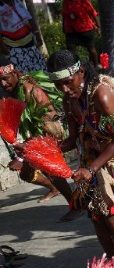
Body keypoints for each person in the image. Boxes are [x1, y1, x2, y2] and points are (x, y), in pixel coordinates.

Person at [47, 49, 114, 268]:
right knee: (97, 218)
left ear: (81, 72)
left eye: (67, 82)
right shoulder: (69, 100)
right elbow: (72, 139)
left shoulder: (101, 95)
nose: (64, 89)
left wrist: (92, 168)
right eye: (58, 85)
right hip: (92, 165)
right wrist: (39, 151)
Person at [0, 55, 79, 210]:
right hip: (34, 138)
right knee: (26, 174)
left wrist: (24, 155)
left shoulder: (30, 91)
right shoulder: (12, 91)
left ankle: (75, 205)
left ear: (15, 73)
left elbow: (48, 124)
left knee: (48, 167)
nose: (3, 83)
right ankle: (55, 189)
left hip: (50, 133)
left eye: (6, 78)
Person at [0, 0, 46, 72]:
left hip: (30, 43)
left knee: (41, 69)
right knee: (23, 74)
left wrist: (37, 34)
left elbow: (30, 19)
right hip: (12, 47)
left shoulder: (17, 2)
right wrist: (2, 46)